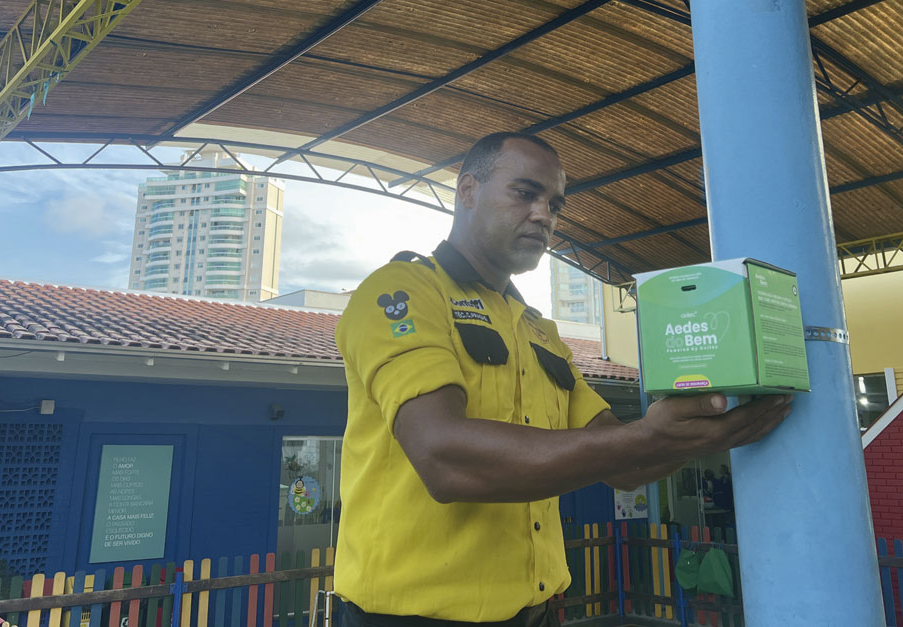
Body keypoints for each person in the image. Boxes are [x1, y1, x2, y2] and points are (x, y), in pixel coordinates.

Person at [333, 132, 792, 626]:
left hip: (537, 612)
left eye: (554, 204)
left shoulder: (539, 331)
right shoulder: (402, 292)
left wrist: (700, 429)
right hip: (407, 617)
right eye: (524, 193)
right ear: (467, 191)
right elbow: (444, 456)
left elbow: (621, 462)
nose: (543, 215)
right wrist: (647, 437)